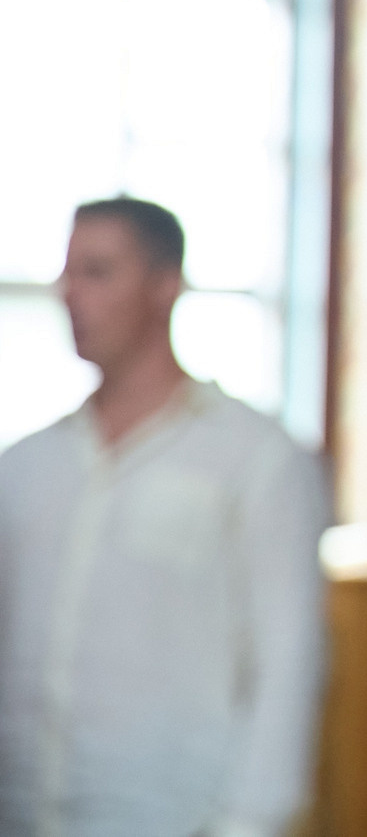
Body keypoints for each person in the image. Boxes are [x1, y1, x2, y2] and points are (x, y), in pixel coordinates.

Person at [0, 197, 327, 837]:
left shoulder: (254, 459)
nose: (70, 295)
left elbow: (289, 657)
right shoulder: (26, 466)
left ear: (163, 287)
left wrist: (252, 822)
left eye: (97, 272)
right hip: (26, 805)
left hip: (173, 813)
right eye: (66, 274)